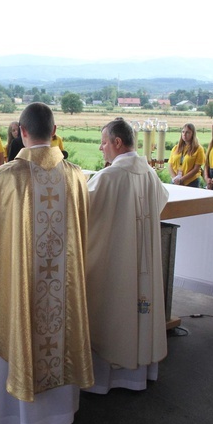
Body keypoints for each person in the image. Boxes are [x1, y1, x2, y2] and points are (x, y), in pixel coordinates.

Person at [0, 102, 93, 424]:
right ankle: (61, 412)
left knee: (19, 321)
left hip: (22, 284)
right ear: (54, 133)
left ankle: (15, 417)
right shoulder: (76, 175)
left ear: (22, 132)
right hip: (62, 288)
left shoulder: (5, 178)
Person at [85, 118, 169, 394]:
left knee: (112, 308)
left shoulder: (110, 176)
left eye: (104, 142)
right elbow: (160, 200)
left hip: (117, 265)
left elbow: (82, 212)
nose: (101, 148)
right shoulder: (149, 173)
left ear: (117, 143)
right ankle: (138, 375)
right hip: (143, 263)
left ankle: (103, 380)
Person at [168, 123, 205, 187]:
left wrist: (182, 179)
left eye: (187, 132)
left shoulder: (198, 149)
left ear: (193, 134)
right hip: (176, 181)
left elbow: (196, 169)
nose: (184, 134)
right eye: (183, 132)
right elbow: (170, 165)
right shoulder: (176, 148)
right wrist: (175, 179)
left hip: (191, 182)